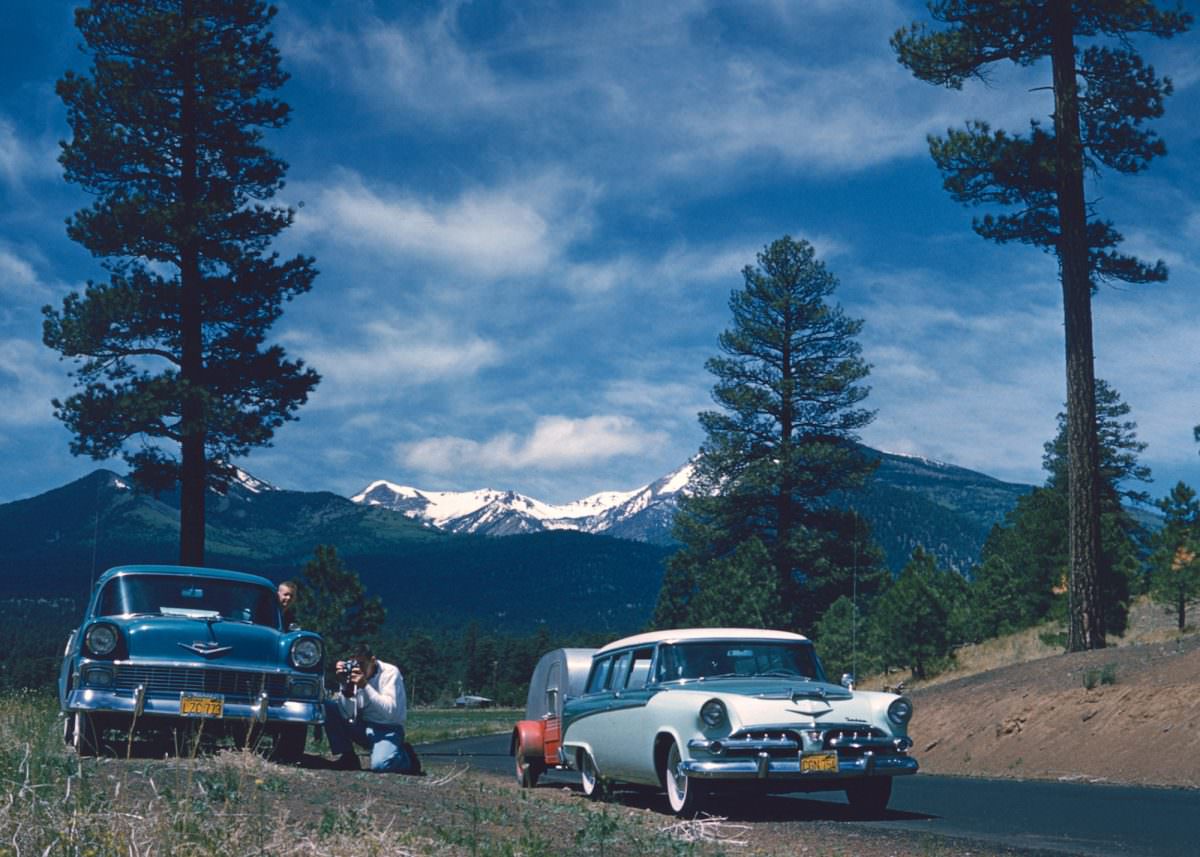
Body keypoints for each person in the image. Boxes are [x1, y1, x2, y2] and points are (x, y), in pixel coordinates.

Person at [324, 644, 410, 772]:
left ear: (373, 661)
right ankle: (348, 757)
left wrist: (365, 685)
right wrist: (345, 686)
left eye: (362, 664)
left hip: (387, 728)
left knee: (381, 765)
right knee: (328, 707)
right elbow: (347, 713)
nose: (359, 669)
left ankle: (406, 758)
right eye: (355, 664)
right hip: (364, 725)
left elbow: (390, 712)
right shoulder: (353, 674)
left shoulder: (390, 673)